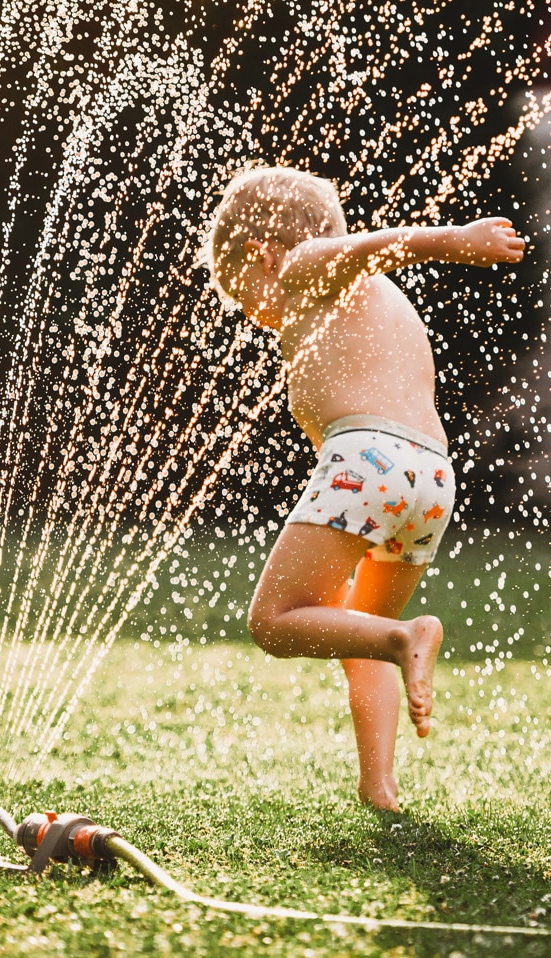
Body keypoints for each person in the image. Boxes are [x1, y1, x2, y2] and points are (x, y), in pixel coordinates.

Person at [197, 166, 527, 810]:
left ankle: (407, 638)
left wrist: (453, 239)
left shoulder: (302, 265)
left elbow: (356, 247)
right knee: (361, 631)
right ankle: (379, 786)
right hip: (432, 478)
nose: (259, 317)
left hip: (369, 460)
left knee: (276, 622)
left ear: (264, 254)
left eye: (247, 296)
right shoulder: (381, 299)